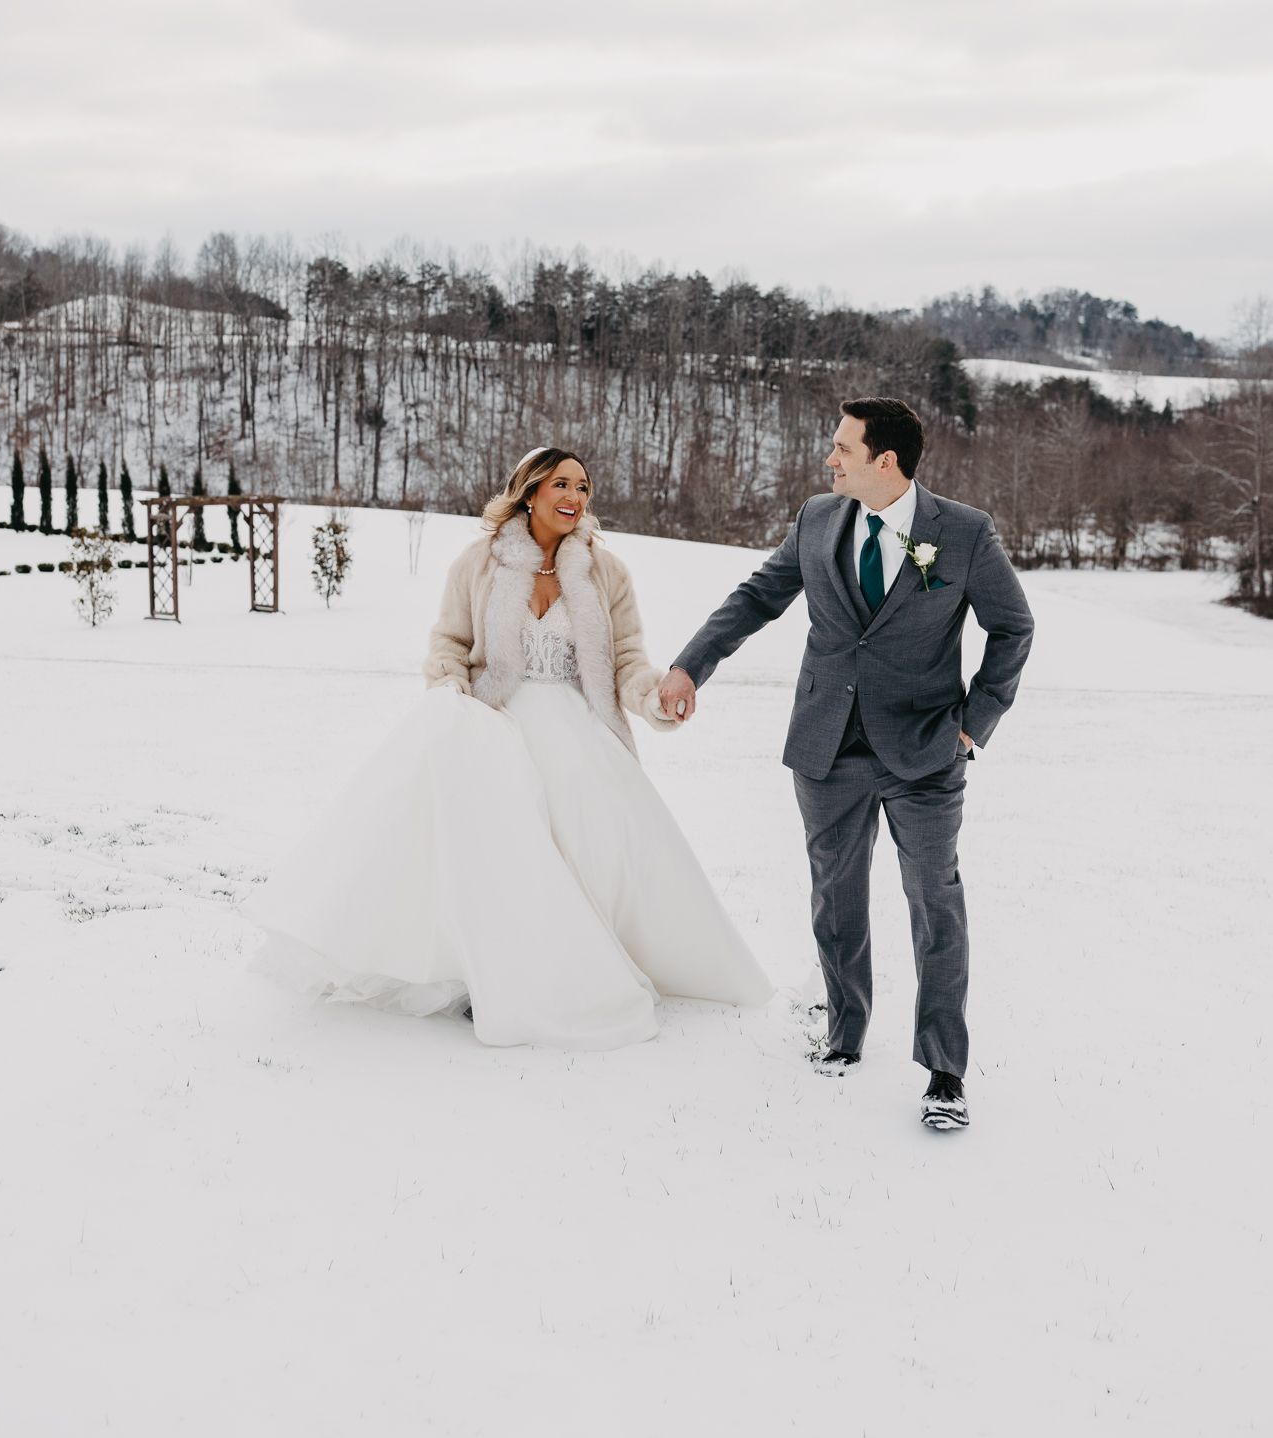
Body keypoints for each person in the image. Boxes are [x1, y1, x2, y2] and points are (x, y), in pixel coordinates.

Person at [248, 447, 772, 1049]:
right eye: (562, 485)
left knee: (590, 839)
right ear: (530, 492)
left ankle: (574, 961)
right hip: (492, 726)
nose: (576, 497)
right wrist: (450, 695)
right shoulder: (479, 563)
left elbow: (627, 659)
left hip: (580, 728)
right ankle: (482, 971)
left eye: (584, 487)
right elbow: (448, 643)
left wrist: (655, 699)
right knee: (494, 849)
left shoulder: (608, 572)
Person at [658, 399, 1034, 1131]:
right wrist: (687, 668)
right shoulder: (816, 519)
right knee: (836, 900)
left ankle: (944, 1071)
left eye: (841, 448)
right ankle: (843, 1033)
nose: (828, 459)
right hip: (826, 747)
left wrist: (971, 724)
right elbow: (757, 597)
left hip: (925, 753)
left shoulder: (960, 533)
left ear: (883, 460)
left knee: (935, 904)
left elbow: (1012, 628)